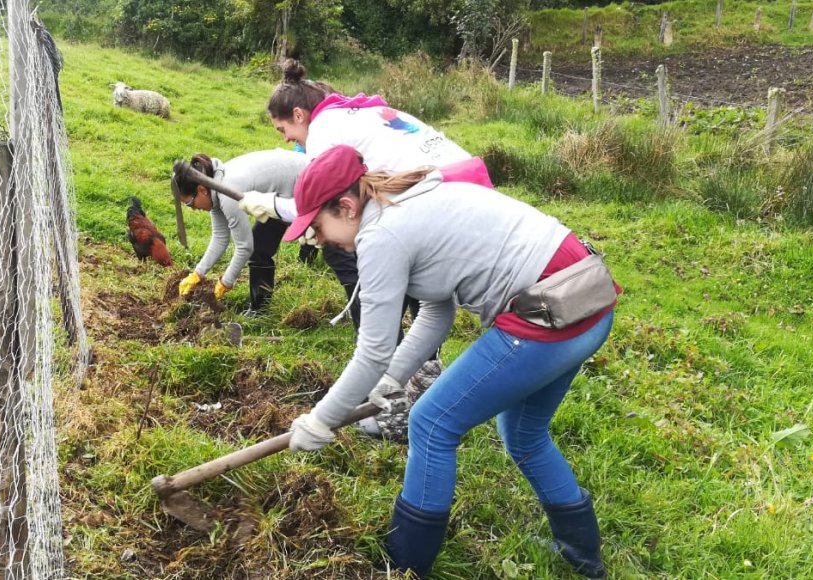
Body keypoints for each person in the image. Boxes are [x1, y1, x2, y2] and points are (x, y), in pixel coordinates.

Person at [282, 145, 620, 578]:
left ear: (346, 207)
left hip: (551, 314)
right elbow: (435, 312)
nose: (321, 240)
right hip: (588, 300)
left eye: (319, 227)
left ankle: (406, 564)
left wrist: (320, 420)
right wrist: (392, 379)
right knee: (523, 433)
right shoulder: (408, 198)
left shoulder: (380, 234)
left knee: (431, 423)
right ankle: (581, 555)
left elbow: (372, 349)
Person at [238, 59, 493, 441]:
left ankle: (398, 403)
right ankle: (412, 387)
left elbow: (323, 203)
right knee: (432, 298)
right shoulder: (356, 111)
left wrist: (274, 207)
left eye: (284, 129)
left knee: (385, 285)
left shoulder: (325, 130)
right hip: (468, 188)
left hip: (440, 197)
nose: (286, 139)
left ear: (298, 114)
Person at [173, 149, 308, 315]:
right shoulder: (213, 187)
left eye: (190, 203)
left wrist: (225, 282)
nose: (193, 209)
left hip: (302, 180)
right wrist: (197, 274)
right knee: (260, 246)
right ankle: (260, 308)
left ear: (201, 190)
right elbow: (220, 238)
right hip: (281, 190)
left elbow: (244, 247)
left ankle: (259, 310)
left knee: (258, 248)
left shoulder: (227, 192)